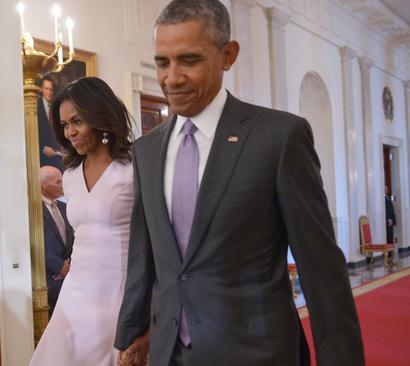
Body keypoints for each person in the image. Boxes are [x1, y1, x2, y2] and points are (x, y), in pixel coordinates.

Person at [114, 1, 365, 365]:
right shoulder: (146, 151)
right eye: (162, 62)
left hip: (256, 352)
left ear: (228, 55)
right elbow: (143, 258)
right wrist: (132, 333)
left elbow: (321, 269)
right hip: (170, 353)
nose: (171, 78)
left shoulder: (279, 138)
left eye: (189, 60)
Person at [29, 77, 134, 366]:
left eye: (77, 121)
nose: (70, 132)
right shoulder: (71, 174)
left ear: (99, 117)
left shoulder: (132, 169)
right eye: (64, 125)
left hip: (117, 295)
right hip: (74, 293)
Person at [40, 165, 74, 318]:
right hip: (47, 281)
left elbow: (75, 239)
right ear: (43, 185)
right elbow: (34, 244)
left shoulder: (65, 207)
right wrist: (59, 267)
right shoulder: (32, 209)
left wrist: (70, 265)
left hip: (69, 281)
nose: (62, 186)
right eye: (58, 182)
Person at [37, 76, 64, 171]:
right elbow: (30, 135)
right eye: (47, 89)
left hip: (58, 157)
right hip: (42, 159)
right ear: (41, 89)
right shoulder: (34, 107)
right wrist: (43, 149)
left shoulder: (57, 107)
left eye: (51, 90)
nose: (49, 92)